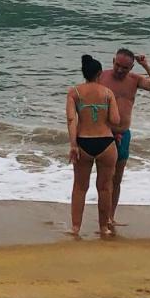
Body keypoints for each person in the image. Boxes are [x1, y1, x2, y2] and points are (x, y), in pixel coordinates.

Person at [98, 47, 150, 223]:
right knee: (103, 181)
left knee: (116, 180)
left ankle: (110, 217)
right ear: (113, 61)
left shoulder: (134, 80)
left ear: (131, 68)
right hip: (103, 134)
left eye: (125, 68)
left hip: (123, 134)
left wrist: (146, 66)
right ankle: (102, 217)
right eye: (118, 65)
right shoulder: (101, 77)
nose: (120, 70)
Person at [67, 54, 121, 237]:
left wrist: (73, 144)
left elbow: (71, 119)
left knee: (80, 187)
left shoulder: (74, 92)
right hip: (106, 143)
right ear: (99, 73)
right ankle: (104, 227)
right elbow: (115, 120)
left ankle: (75, 228)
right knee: (105, 188)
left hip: (83, 142)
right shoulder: (108, 93)